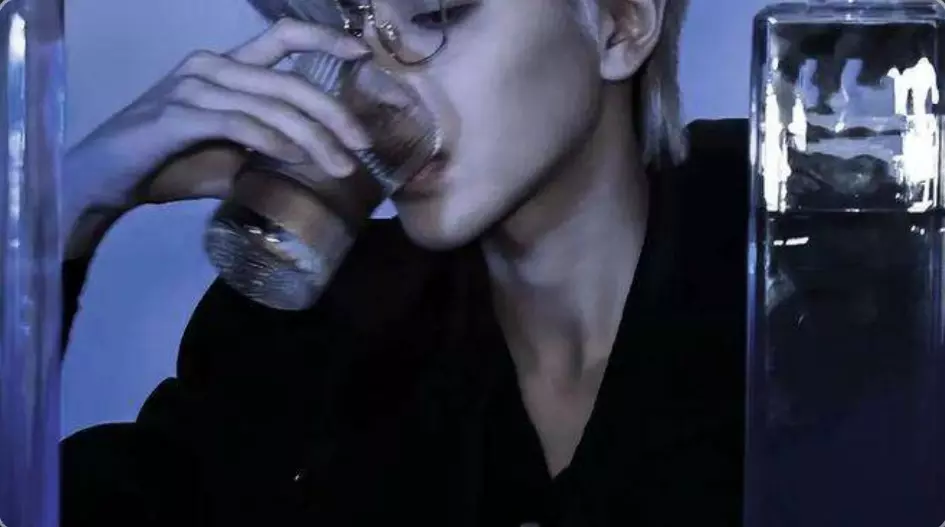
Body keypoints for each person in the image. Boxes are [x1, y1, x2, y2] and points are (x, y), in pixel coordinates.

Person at [60, 1, 749, 525]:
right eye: (349, 29)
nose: (377, 85)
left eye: (435, 14)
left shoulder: (797, 270)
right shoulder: (303, 336)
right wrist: (64, 210)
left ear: (621, 24)